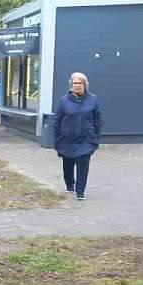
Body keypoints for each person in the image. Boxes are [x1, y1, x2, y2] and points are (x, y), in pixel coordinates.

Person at [53, 72, 102, 201]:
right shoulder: (63, 101)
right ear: (71, 85)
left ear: (85, 85)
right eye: (75, 83)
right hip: (67, 140)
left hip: (86, 140)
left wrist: (95, 138)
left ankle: (80, 192)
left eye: (80, 83)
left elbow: (98, 120)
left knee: (83, 165)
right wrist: (57, 140)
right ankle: (70, 185)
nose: (77, 86)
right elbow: (56, 121)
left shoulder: (93, 100)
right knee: (68, 166)